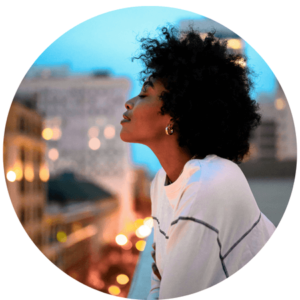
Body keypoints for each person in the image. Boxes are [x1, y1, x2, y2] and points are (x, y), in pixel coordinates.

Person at [120, 25, 275, 299]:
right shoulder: (161, 182)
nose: (129, 103)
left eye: (144, 94)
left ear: (174, 115)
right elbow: (159, 277)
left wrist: (161, 274)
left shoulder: (210, 184)